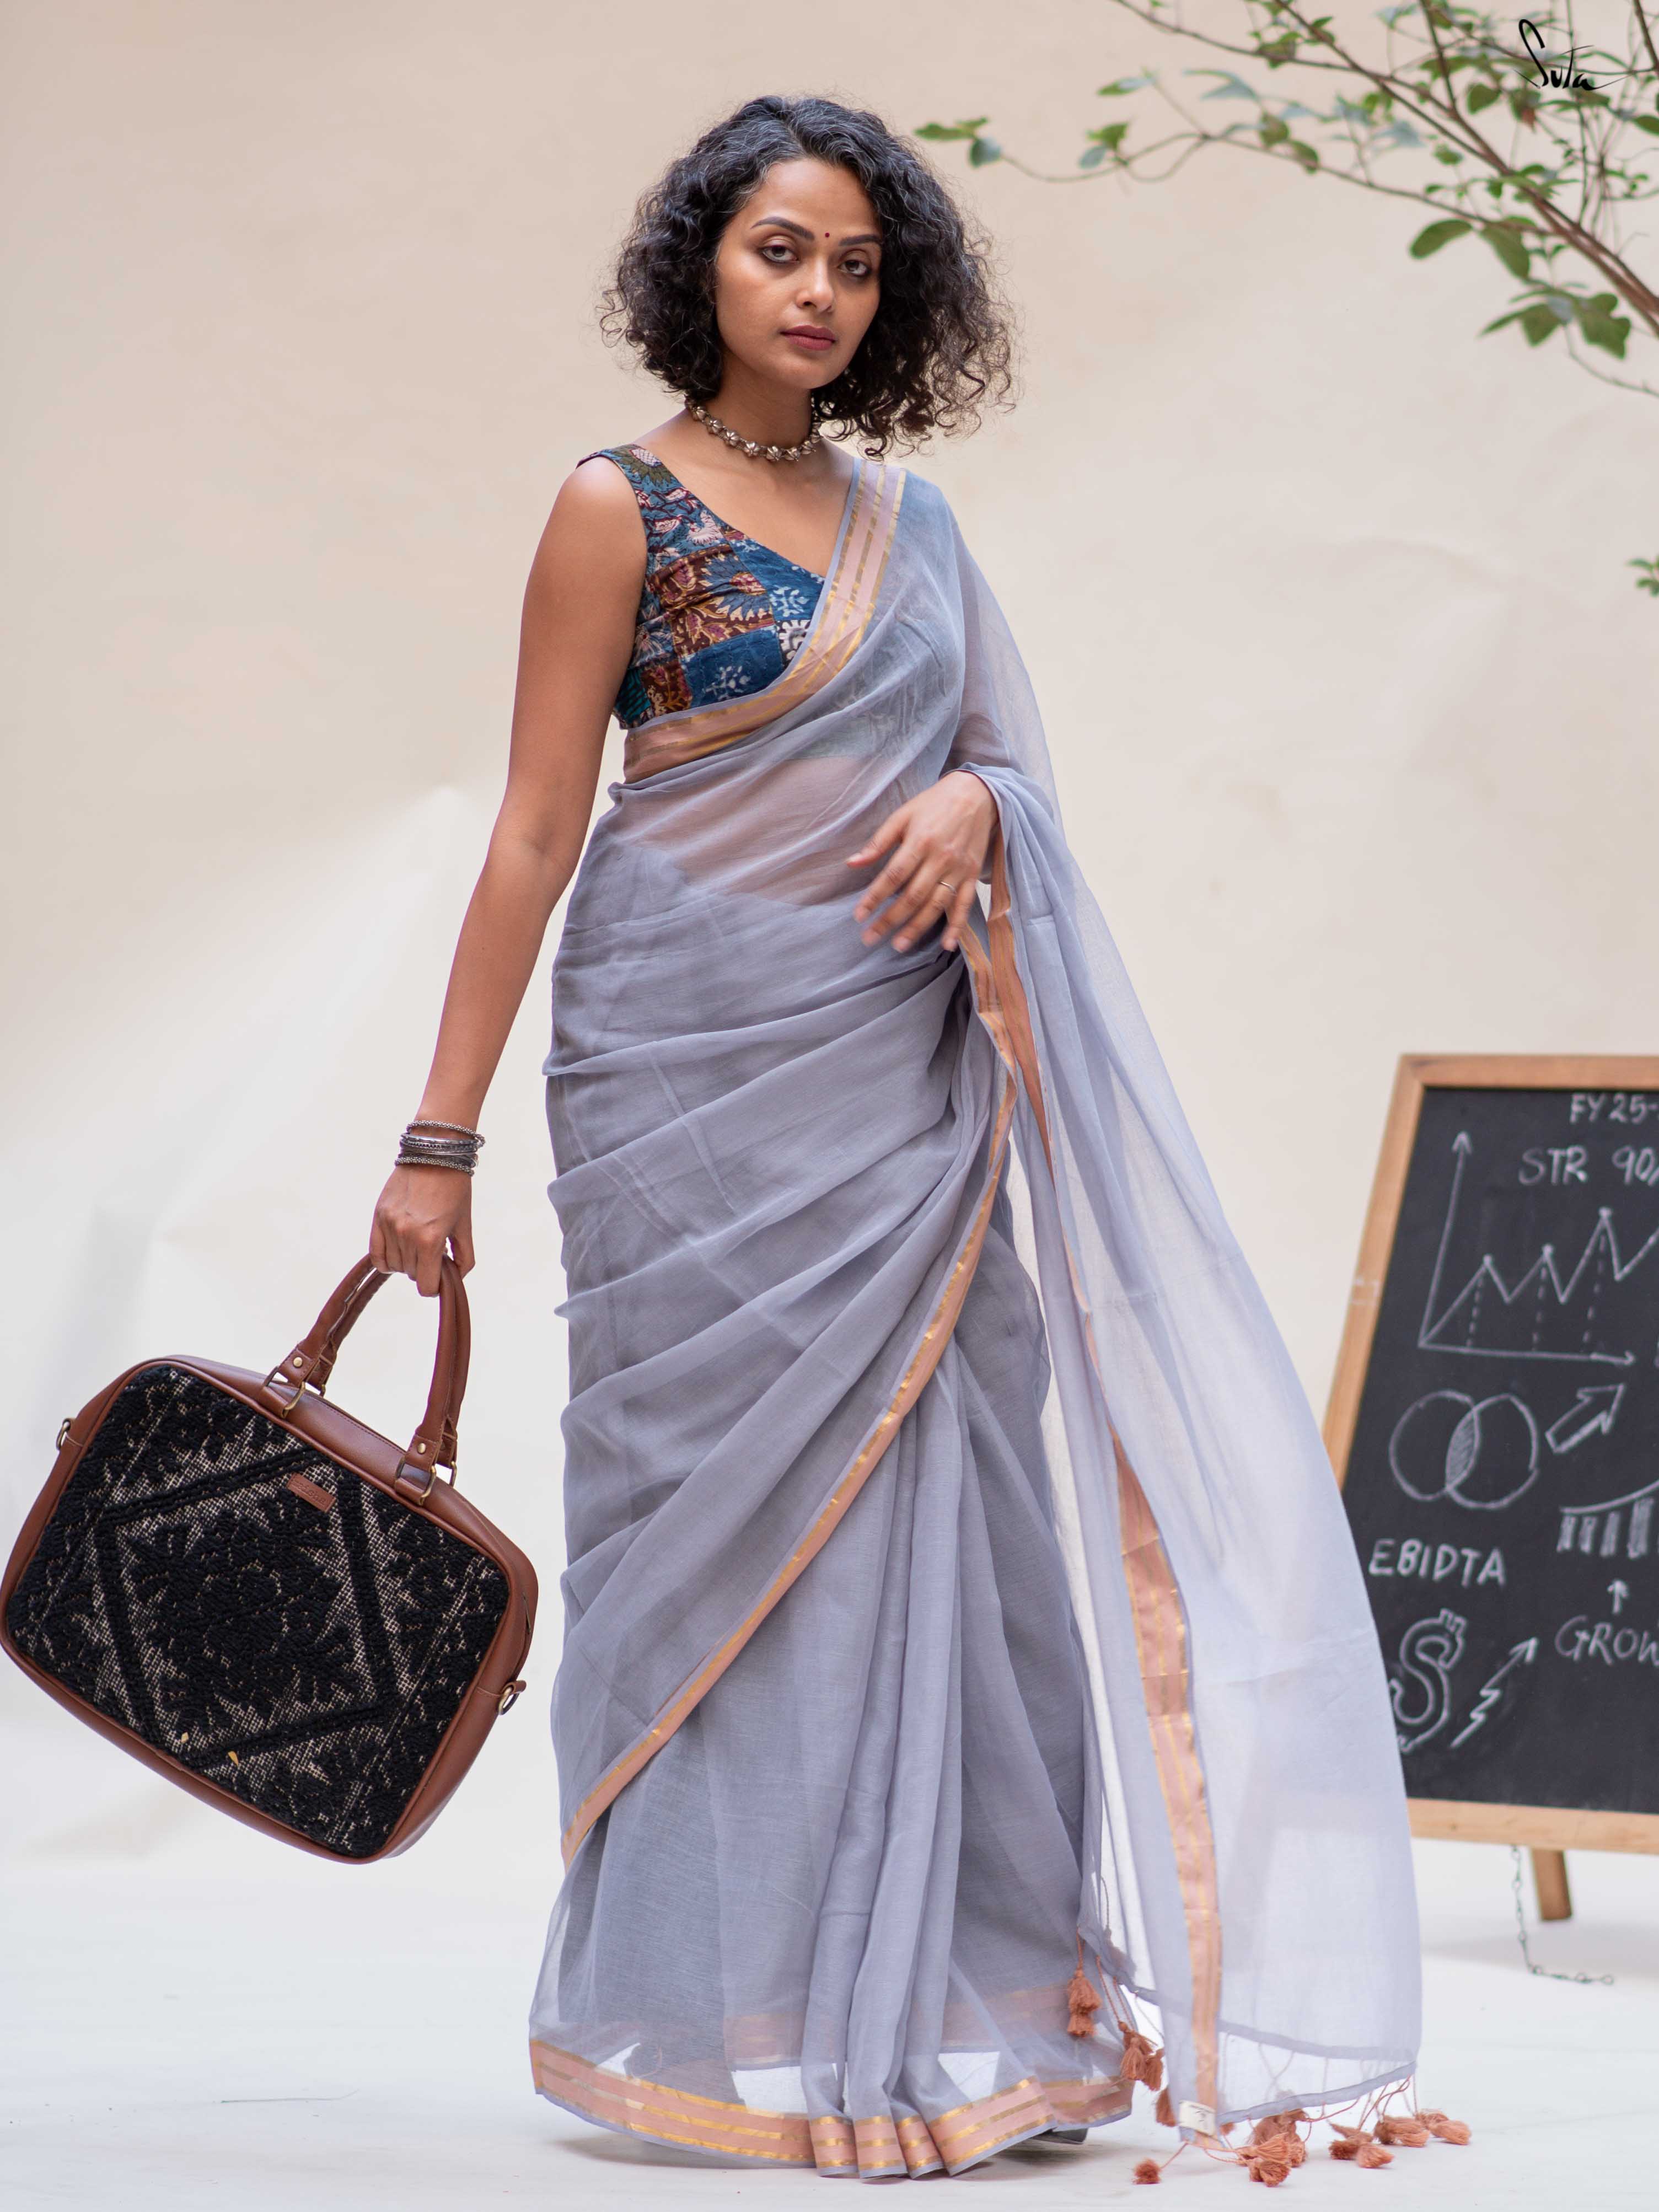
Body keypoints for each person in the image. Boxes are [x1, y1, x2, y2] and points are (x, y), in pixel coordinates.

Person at [370, 94, 1422, 2184]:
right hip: (680, 1078)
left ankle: (961, 2013)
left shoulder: (916, 531)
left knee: (951, 1520)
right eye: (780, 249)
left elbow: (1009, 772)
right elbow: (536, 828)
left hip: (896, 1085)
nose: (819, 293)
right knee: (703, 1534)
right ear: (701, 262)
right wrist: (435, 1136)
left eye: (856, 264)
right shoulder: (612, 508)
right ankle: (721, 2016)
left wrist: (976, 803)